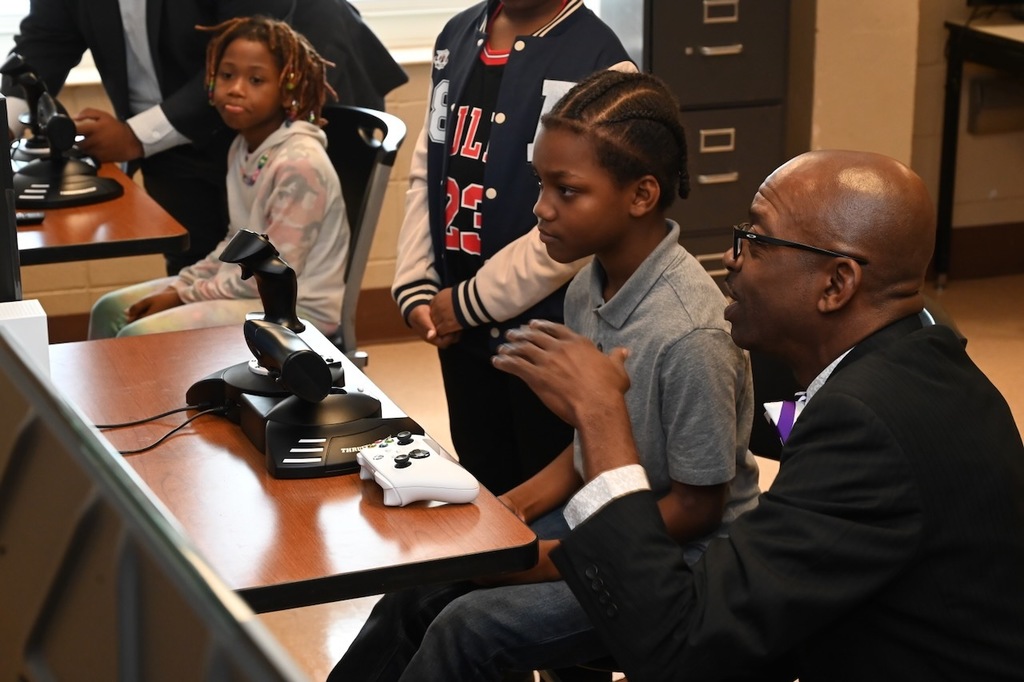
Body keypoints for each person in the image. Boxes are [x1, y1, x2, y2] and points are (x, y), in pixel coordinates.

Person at [493, 149, 1024, 681]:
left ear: (836, 284)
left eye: (758, 240)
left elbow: (676, 648)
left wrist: (601, 414)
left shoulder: (866, 425)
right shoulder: (914, 354)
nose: (731, 257)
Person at [329, 70, 760, 682]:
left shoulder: (691, 334)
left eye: (567, 190)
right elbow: (591, 445)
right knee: (428, 582)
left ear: (640, 195)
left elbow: (697, 506)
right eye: (540, 183)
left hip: (683, 562)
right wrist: (508, 510)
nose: (540, 208)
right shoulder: (588, 282)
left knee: (470, 626)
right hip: (612, 520)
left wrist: (548, 560)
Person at [389, 0, 635, 497]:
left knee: (543, 482)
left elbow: (582, 230)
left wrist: (471, 302)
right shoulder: (456, 37)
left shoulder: (602, 64)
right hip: (460, 327)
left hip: (544, 332)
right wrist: (416, 283)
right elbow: (429, 168)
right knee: (483, 470)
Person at [2, 0, 406, 274]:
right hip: (174, 128)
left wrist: (136, 136)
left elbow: (252, 43)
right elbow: (42, 47)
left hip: (292, 106)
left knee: (288, 273)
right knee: (193, 268)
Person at [88, 15, 347, 339]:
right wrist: (185, 283)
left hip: (295, 309)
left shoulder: (299, 165)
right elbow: (234, 243)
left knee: (140, 335)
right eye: (227, 75)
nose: (236, 89)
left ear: (287, 89)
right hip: (248, 290)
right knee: (109, 309)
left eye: (256, 80)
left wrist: (183, 295)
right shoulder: (242, 147)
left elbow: (273, 275)